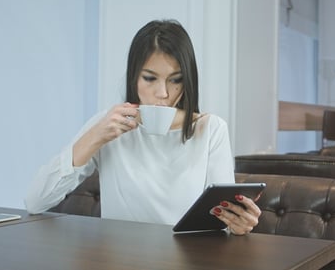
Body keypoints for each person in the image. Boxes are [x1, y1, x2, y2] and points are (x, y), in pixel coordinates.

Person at [25, 19, 261, 235]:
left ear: (188, 80)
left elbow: (223, 223)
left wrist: (238, 223)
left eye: (176, 80)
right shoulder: (108, 125)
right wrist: (94, 137)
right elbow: (36, 201)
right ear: (134, 78)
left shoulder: (211, 129)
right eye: (150, 78)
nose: (163, 93)